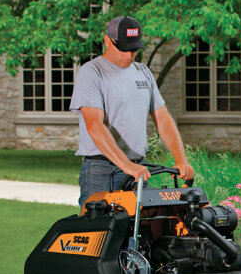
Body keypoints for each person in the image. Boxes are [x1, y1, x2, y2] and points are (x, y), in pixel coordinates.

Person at [70, 15, 194, 208]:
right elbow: (94, 125)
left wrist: (180, 160)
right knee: (100, 227)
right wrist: (126, 165)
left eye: (134, 49)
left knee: (143, 226)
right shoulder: (92, 72)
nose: (129, 55)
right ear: (107, 41)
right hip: (102, 171)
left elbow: (162, 119)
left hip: (137, 169)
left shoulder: (143, 72)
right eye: (123, 49)